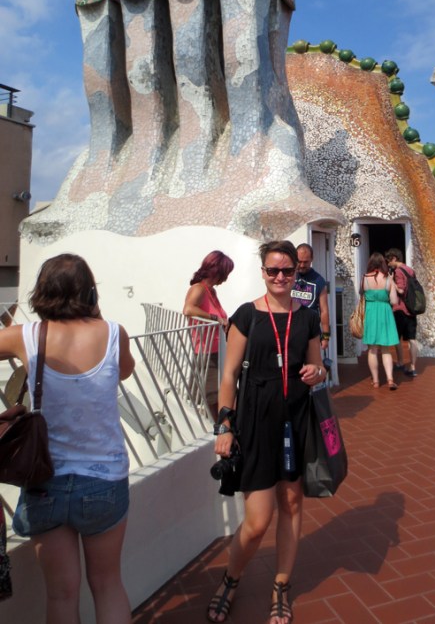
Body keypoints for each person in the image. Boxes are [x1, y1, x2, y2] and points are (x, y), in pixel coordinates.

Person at [0, 253, 135, 623]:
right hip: (105, 480)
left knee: (61, 595)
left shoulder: (25, 337)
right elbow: (125, 371)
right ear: (89, 291)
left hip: (45, 480)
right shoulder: (113, 333)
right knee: (107, 584)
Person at [208, 240, 325, 624]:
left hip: (294, 419)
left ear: (296, 273)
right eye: (273, 270)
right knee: (258, 519)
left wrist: (316, 373)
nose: (280, 277)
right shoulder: (246, 316)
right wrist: (225, 425)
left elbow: (318, 368)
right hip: (255, 418)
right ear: (263, 272)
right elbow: (228, 375)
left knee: (291, 503)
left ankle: (281, 585)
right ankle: (231, 576)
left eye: (287, 271)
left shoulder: (306, 318)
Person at [362, 252, 400, 390]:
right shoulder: (388, 279)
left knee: (372, 349)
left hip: (371, 312)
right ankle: (390, 379)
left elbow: (362, 296)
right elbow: (394, 301)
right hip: (385, 312)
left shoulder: (365, 279)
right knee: (386, 349)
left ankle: (376, 381)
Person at [183, 250, 235, 351]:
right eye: (226, 274)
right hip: (206, 355)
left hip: (216, 350)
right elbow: (188, 310)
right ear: (217, 273)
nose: (226, 278)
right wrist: (216, 318)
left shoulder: (211, 291)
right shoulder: (199, 288)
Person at [292, 243, 331, 358]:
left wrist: (325, 336)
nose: (302, 265)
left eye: (306, 262)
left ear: (312, 260)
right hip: (291, 328)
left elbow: (324, 310)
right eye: (299, 261)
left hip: (310, 330)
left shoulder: (319, 281)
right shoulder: (288, 276)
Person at [385, 248, 419, 378]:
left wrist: (391, 279)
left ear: (394, 258)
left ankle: (400, 362)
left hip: (400, 309)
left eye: (388, 260)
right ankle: (413, 366)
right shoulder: (410, 270)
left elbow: (400, 290)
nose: (388, 263)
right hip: (412, 309)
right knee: (412, 339)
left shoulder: (398, 271)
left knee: (397, 337)